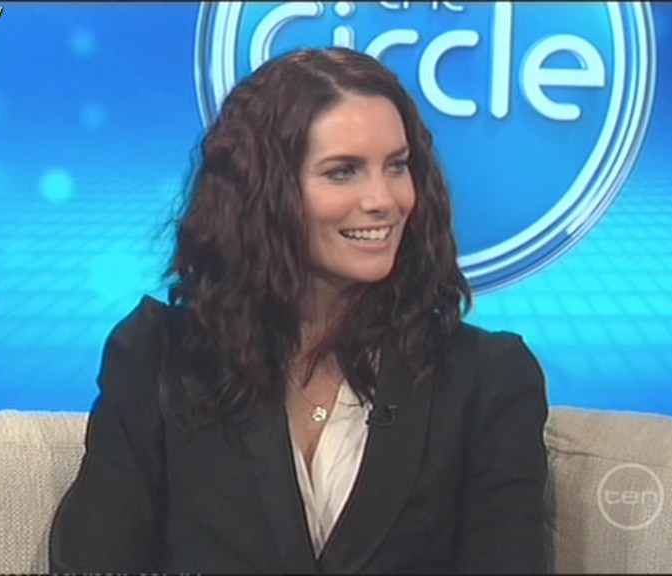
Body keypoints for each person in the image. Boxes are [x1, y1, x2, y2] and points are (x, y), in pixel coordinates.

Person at [49, 46, 549, 574]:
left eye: (397, 166)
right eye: (343, 172)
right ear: (265, 193)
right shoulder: (158, 360)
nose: (384, 199)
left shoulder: (485, 380)